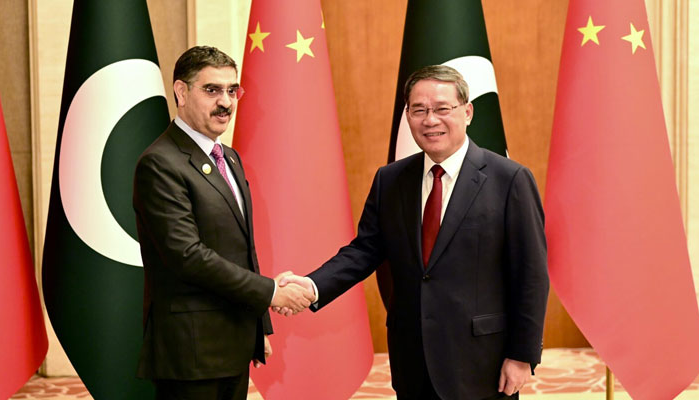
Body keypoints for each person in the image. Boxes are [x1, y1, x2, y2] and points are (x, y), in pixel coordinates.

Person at [279, 65, 549, 399]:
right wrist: (312, 285)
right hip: (412, 357)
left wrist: (522, 355)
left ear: (467, 112)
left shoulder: (509, 179)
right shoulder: (390, 180)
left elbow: (531, 275)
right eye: (418, 110)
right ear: (407, 116)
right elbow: (364, 251)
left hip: (483, 362)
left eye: (441, 109)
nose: (430, 120)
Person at [133, 46, 314, 400]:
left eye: (232, 90)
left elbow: (243, 248)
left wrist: (258, 325)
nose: (226, 102)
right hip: (192, 350)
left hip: (233, 341)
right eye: (212, 90)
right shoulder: (160, 163)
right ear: (182, 92)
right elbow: (188, 255)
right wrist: (271, 292)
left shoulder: (227, 157)